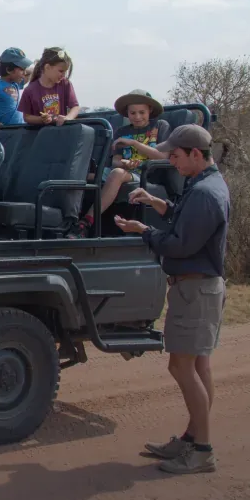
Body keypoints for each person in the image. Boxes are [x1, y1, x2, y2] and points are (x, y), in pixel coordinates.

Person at [113, 124, 230, 475]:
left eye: (176, 156)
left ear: (196, 154)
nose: (172, 162)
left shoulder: (206, 194)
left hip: (195, 290)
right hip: (198, 288)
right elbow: (183, 220)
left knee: (182, 367)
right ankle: (193, 438)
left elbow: (180, 244)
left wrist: (144, 231)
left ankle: (203, 450)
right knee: (198, 367)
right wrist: (154, 204)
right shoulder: (203, 185)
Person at [69, 89, 171, 237]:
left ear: (150, 110)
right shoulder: (121, 131)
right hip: (126, 169)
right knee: (80, 174)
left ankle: (86, 222)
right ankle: (69, 219)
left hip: (146, 174)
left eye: (142, 112)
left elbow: (162, 156)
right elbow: (116, 160)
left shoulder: (160, 126)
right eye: (132, 113)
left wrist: (134, 143)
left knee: (117, 174)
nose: (137, 117)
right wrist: (124, 163)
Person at [18, 47, 80, 126]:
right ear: (47, 67)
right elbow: (26, 117)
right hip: (40, 135)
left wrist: (67, 118)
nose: (64, 75)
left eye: (65, 71)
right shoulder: (30, 90)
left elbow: (75, 107)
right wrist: (41, 119)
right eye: (61, 71)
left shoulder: (65, 84)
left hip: (62, 133)